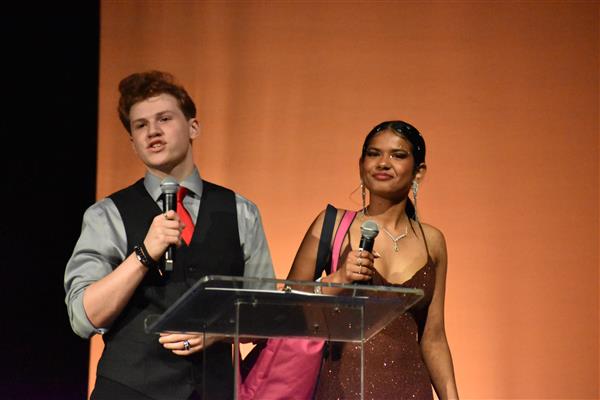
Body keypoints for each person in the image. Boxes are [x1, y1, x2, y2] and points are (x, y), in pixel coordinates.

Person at [64, 71, 275, 400]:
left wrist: (217, 331)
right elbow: (83, 318)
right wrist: (144, 254)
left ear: (193, 127)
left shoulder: (240, 211)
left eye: (164, 119)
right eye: (140, 125)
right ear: (133, 143)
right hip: (130, 390)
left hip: (213, 390)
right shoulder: (106, 215)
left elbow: (267, 314)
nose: (153, 132)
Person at [287, 120, 459, 399]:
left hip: (411, 391)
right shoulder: (332, 225)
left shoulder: (433, 241)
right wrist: (338, 279)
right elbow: (286, 308)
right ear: (361, 165)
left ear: (419, 171)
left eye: (398, 155)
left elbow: (433, 336)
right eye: (373, 153)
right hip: (341, 388)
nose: (383, 163)